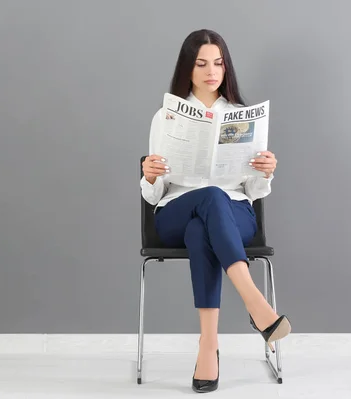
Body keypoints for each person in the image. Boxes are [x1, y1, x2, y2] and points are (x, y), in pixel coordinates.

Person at [140, 29, 291, 393]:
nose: (212, 71)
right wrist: (149, 176)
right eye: (202, 63)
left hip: (235, 215)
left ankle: (208, 344)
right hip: (175, 211)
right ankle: (256, 305)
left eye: (218, 63)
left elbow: (252, 192)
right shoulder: (167, 116)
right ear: (187, 69)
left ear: (227, 68)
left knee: (202, 229)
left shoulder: (242, 116)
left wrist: (265, 173)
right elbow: (154, 194)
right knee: (207, 199)